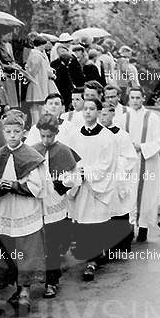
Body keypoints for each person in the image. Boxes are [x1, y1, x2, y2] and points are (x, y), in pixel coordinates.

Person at [0, 111, 50, 314]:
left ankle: (24, 292)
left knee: (28, 252)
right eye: (8, 131)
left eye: (16, 131)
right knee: (9, 249)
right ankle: (14, 286)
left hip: (26, 210)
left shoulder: (32, 157)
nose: (12, 135)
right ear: (3, 132)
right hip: (5, 210)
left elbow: (38, 187)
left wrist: (14, 185)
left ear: (23, 132)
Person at [31, 115, 81, 299]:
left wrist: (64, 182)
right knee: (37, 243)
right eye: (43, 136)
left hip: (55, 203)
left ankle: (52, 281)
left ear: (56, 133)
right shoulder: (33, 150)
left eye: (49, 136)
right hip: (37, 203)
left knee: (52, 244)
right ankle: (34, 277)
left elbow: (74, 176)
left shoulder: (64, 151)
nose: (46, 140)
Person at [67, 98, 116, 281]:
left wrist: (86, 173)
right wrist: (75, 174)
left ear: (98, 112)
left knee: (95, 221)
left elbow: (107, 164)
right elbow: (70, 158)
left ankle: (93, 261)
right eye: (85, 109)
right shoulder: (75, 135)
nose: (87, 112)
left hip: (96, 186)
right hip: (80, 185)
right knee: (82, 222)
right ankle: (89, 254)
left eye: (92, 109)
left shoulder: (106, 137)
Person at [116, 86, 160, 243]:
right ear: (128, 99)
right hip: (128, 163)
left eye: (138, 98)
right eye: (132, 98)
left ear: (143, 98)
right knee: (128, 193)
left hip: (147, 162)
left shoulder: (153, 118)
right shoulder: (122, 119)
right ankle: (129, 227)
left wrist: (142, 147)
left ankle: (144, 227)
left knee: (147, 195)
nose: (135, 101)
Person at [98, 103, 137, 255]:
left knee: (119, 211)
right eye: (100, 114)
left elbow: (130, 157)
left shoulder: (121, 135)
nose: (102, 118)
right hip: (101, 179)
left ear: (113, 115)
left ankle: (121, 245)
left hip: (116, 178)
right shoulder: (95, 134)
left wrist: (116, 164)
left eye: (105, 114)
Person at [24, 35, 56, 127]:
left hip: (40, 83)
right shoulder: (36, 55)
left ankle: (39, 124)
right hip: (37, 83)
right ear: (41, 45)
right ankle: (36, 124)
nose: (45, 47)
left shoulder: (38, 54)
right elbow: (32, 71)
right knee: (36, 106)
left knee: (38, 105)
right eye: (44, 44)